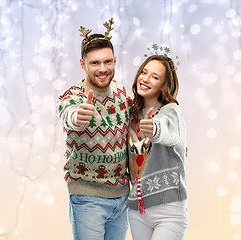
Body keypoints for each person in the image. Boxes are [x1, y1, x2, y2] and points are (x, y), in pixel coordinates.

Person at [56, 18, 132, 240]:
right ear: (83, 64)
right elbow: (66, 115)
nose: (102, 69)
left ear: (115, 61)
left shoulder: (120, 93)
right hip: (87, 197)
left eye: (107, 62)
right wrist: (76, 117)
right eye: (95, 63)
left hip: (122, 197)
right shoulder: (72, 97)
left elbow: (135, 127)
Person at [126, 50, 188, 240]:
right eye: (144, 72)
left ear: (163, 86)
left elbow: (168, 130)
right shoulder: (130, 115)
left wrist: (155, 128)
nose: (145, 79)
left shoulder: (171, 112)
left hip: (169, 210)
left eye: (155, 77)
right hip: (137, 210)